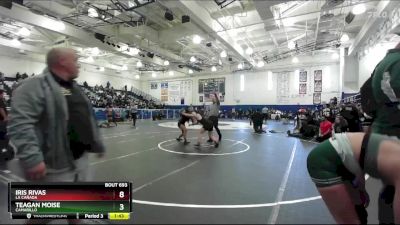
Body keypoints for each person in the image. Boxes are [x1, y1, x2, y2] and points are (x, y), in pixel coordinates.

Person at [8, 48, 105, 223]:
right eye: (75, 59)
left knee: (77, 209)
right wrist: (32, 159)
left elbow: (85, 116)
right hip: (54, 167)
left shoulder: (74, 88)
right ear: (62, 61)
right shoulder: (34, 85)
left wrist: (97, 143)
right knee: (42, 215)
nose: (79, 64)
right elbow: (20, 123)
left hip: (79, 162)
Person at [307, 132, 400, 224]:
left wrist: (361, 188)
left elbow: (362, 158)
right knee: (351, 221)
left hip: (349, 157)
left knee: (360, 210)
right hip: (325, 160)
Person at [368, 42, 400, 224]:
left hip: (384, 134)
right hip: (394, 135)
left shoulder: (384, 63)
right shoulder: (397, 63)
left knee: (390, 189)